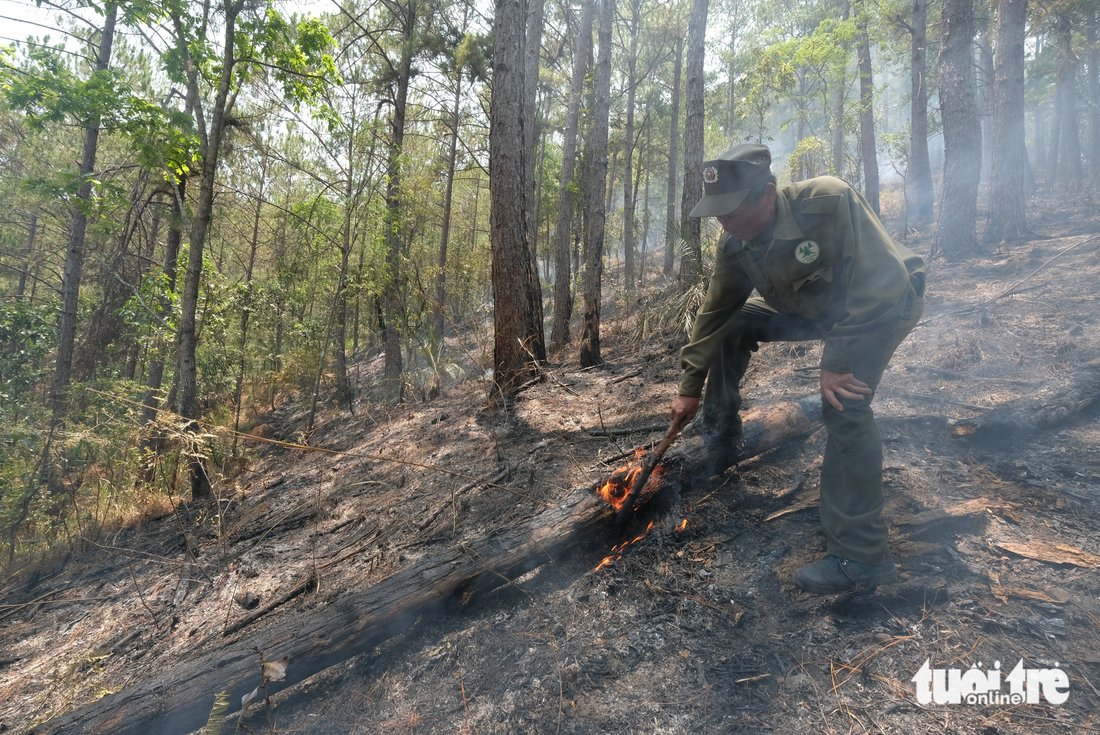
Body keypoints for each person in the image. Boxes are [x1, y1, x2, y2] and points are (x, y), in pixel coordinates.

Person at [669, 143, 926, 594]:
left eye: (730, 212)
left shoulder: (828, 202)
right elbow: (714, 314)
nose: (723, 224)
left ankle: (863, 557)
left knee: (842, 404)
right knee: (733, 326)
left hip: (883, 307)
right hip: (817, 311)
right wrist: (689, 387)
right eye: (717, 214)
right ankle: (721, 440)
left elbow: (883, 283)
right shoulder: (735, 244)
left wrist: (837, 362)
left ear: (766, 194)